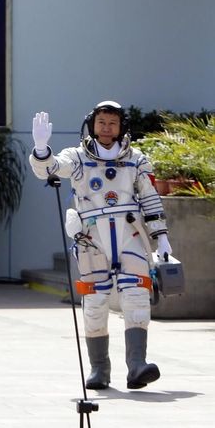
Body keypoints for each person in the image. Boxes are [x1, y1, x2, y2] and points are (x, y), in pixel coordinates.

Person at [29, 101, 172, 390]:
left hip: (130, 232)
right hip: (91, 237)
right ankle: (99, 368)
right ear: (92, 125)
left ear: (122, 128)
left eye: (113, 123)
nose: (107, 128)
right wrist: (42, 149)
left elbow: (150, 199)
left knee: (136, 296)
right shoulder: (78, 157)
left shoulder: (136, 159)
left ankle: (136, 365)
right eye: (102, 122)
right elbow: (51, 170)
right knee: (94, 302)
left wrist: (162, 237)